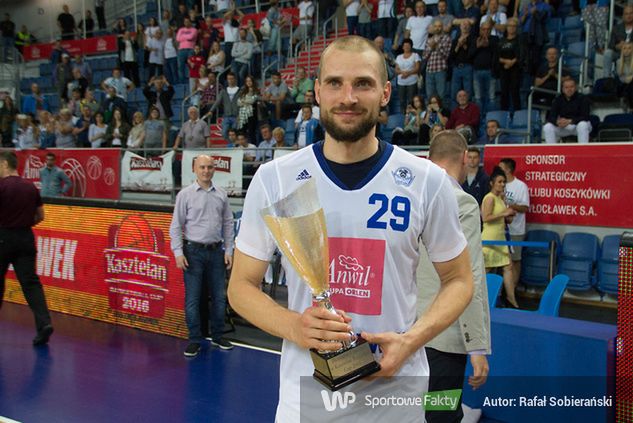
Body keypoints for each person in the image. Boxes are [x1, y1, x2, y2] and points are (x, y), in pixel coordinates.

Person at [227, 35, 473, 422]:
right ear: (318, 92)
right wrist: (297, 326)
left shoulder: (427, 182)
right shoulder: (275, 179)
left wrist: (411, 341)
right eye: (335, 83)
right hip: (306, 399)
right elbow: (241, 287)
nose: (348, 97)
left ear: (386, 92)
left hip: (395, 399)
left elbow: (459, 280)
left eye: (363, 83)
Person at [418, 131, 491, 423]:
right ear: (464, 159)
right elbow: (469, 275)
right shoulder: (461, 202)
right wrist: (476, 345)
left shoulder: (408, 197)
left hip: (401, 333)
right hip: (442, 337)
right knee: (441, 413)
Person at [170, 155, 234, 357]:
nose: (206, 171)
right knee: (193, 299)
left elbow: (228, 223)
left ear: (215, 169)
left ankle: (217, 336)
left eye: (210, 167)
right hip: (193, 252)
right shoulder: (185, 195)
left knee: (219, 297)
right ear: (195, 169)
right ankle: (194, 339)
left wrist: (229, 250)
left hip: (216, 252)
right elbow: (176, 226)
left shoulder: (221, 195)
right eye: (202, 167)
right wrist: (178, 253)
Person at [0, 151, 54, 346]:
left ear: (5, 164)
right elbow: (41, 215)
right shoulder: (30, 186)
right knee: (31, 283)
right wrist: (24, 223)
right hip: (26, 237)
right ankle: (44, 323)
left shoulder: (1, 186)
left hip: (3, 236)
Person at [481, 166, 518, 308]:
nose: (502, 184)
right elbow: (486, 217)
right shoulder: (489, 198)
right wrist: (504, 213)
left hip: (500, 237)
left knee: (508, 266)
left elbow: (504, 220)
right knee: (486, 270)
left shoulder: (501, 199)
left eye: (504, 182)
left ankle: (511, 300)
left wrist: (510, 216)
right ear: (492, 183)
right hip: (490, 238)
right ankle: (480, 300)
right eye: (499, 182)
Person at [498, 158, 529, 302]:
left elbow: (524, 207)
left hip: (515, 229)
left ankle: (512, 291)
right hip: (500, 230)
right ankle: (501, 292)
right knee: (502, 263)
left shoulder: (520, 186)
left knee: (515, 261)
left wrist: (509, 205)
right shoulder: (499, 185)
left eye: (501, 167)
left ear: (508, 170)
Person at [542, 79, 592, 144]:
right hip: (564, 126)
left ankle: (583, 150)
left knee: (583, 124)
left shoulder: (583, 98)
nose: (569, 89)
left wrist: (570, 121)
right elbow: (550, 117)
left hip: (577, 125)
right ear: (563, 89)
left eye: (571, 87)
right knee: (547, 127)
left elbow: (585, 116)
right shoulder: (558, 99)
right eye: (566, 87)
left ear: (576, 88)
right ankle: (552, 152)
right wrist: (557, 122)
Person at [498, 18, 522, 112]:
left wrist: (512, 62)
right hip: (503, 69)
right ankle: (504, 113)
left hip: (515, 69)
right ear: (506, 28)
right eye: (509, 26)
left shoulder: (520, 40)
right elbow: (496, 55)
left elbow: (522, 53)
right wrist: (505, 61)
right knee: (504, 92)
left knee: (515, 92)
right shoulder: (501, 40)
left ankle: (517, 113)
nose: (511, 28)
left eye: (513, 26)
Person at [394, 38, 421, 115]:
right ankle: (403, 116)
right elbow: (396, 70)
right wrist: (402, 72)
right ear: (402, 47)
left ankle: (412, 116)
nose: (406, 47)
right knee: (402, 100)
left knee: (411, 100)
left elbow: (417, 68)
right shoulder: (398, 57)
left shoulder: (415, 55)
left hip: (412, 81)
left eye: (408, 45)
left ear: (411, 46)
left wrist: (408, 73)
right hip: (401, 82)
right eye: (404, 45)